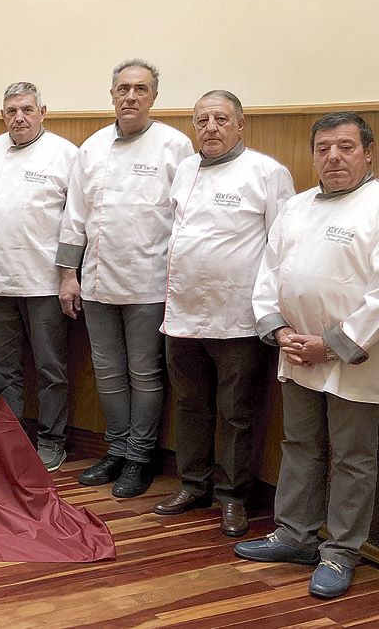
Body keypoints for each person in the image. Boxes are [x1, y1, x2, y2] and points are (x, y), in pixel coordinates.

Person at [236, 112, 379, 599]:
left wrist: (331, 344)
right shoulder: (295, 209)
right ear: (313, 154)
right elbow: (268, 274)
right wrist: (278, 329)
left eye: (345, 147)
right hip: (297, 352)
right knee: (300, 446)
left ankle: (340, 551)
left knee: (353, 458)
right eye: (323, 148)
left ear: (368, 151)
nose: (333, 157)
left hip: (355, 361)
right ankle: (295, 535)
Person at [153, 91, 295, 536]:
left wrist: (274, 312)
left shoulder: (267, 172)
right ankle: (193, 483)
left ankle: (233, 495)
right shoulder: (184, 170)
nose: (210, 127)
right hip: (181, 313)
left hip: (237, 316)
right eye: (202, 120)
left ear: (240, 124)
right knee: (191, 404)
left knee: (235, 412)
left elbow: (282, 248)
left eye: (220, 119)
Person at [57, 59, 194, 497]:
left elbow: (187, 218)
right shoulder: (92, 147)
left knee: (145, 373)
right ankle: (115, 450)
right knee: (107, 373)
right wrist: (67, 275)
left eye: (140, 89)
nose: (130, 97)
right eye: (122, 89)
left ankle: (140, 456)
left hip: (150, 282)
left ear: (154, 96)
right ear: (111, 94)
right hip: (96, 280)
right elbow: (73, 216)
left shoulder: (175, 146)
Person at [0, 82, 79, 471]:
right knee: (4, 368)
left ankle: (52, 440)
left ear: (42, 112)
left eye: (27, 110)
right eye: (11, 111)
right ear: (3, 115)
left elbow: (76, 221)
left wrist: (69, 275)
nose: (19, 117)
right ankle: (12, 439)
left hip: (45, 282)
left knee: (51, 368)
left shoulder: (65, 154)